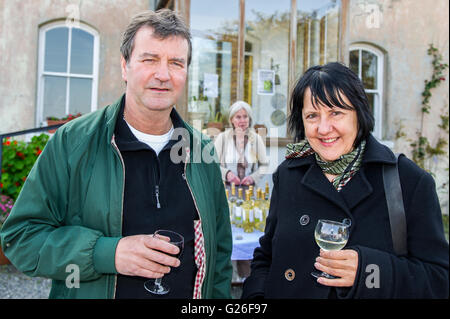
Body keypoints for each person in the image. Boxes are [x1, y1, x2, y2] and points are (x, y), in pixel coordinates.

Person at [0, 9, 232, 299]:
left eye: (176, 63)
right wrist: (107, 253)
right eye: (149, 59)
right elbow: (21, 238)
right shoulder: (73, 142)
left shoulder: (201, 150)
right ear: (125, 66)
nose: (163, 74)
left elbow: (220, 253)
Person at [241, 62, 449, 299]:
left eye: (336, 112)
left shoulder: (407, 181)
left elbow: (438, 280)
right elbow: (266, 257)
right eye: (312, 115)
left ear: (358, 114)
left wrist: (367, 271)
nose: (323, 128)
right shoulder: (289, 174)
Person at [214, 101, 268, 186]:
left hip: (249, 190)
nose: (242, 120)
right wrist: (227, 174)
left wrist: (253, 178)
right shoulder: (222, 138)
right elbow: (212, 164)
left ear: (249, 119)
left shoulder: (256, 139)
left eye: (245, 116)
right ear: (231, 120)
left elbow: (265, 165)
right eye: (238, 117)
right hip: (225, 189)